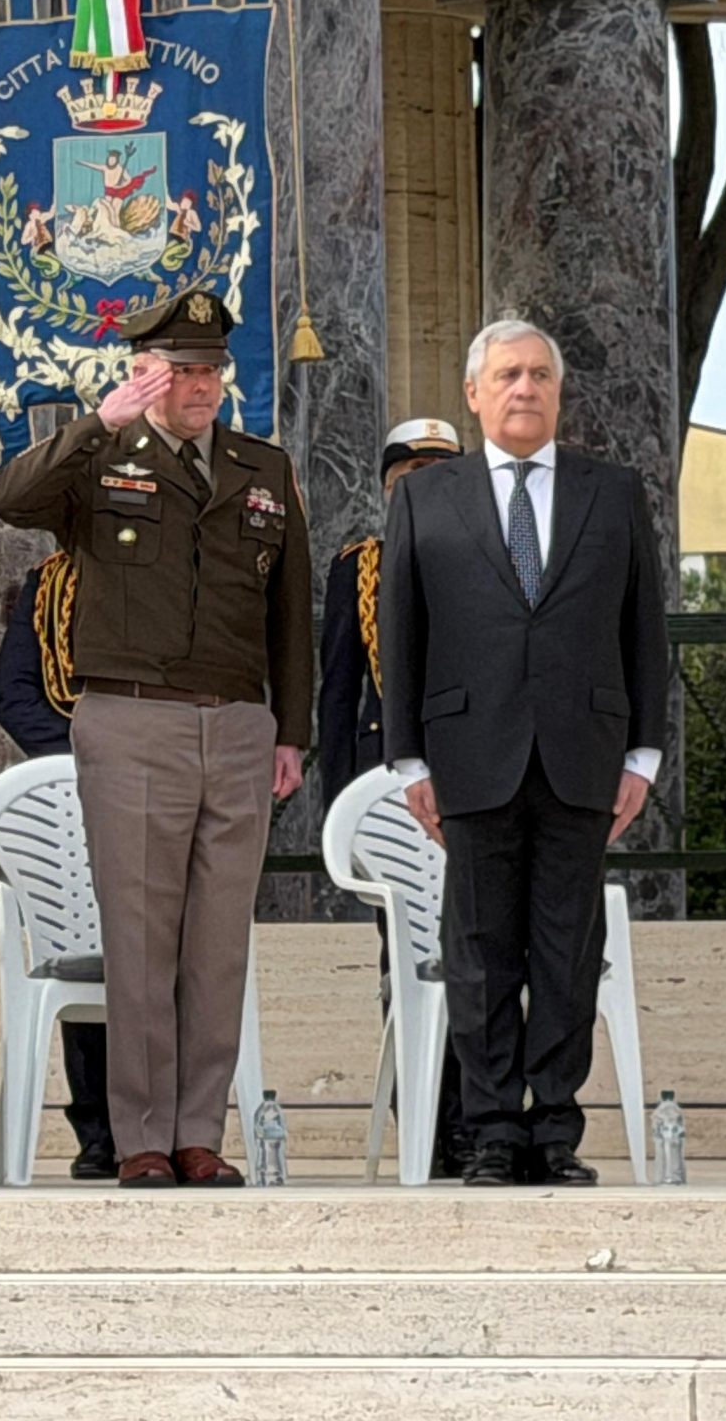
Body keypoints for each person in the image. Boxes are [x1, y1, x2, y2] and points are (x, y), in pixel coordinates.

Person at [0, 288, 313, 1188]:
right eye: (182, 370)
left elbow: (291, 611)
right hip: (133, 718)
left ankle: (199, 1133)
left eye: (211, 370)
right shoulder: (101, 460)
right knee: (140, 938)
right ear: (144, 374)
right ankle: (139, 1138)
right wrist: (100, 422)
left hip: (240, 724)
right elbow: (12, 499)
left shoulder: (263, 467)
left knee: (217, 943)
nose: (202, 386)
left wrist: (291, 730)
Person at [378, 319, 667, 1188]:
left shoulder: (611, 493)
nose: (525, 389)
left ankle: (556, 1131)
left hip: (584, 754)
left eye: (540, 375)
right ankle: (494, 1129)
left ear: (558, 391)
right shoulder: (427, 498)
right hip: (469, 755)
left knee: (566, 950)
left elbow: (643, 628)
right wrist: (408, 762)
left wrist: (643, 755)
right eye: (507, 375)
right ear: (474, 393)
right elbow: (402, 633)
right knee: (478, 949)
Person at [317, 415, 467, 1175]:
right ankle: (425, 1126)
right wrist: (343, 811)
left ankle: (476, 1123)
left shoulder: (492, 559)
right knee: (405, 960)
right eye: (412, 475)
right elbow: (338, 694)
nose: (427, 488)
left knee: (477, 953)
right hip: (389, 794)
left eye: (442, 472)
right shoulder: (362, 568)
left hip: (476, 784)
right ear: (388, 486)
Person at [0, 547, 116, 1181]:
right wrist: (88, 761)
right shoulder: (49, 583)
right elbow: (13, 696)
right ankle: (99, 1132)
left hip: (168, 782)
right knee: (84, 951)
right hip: (76, 793)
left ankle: (168, 1128)